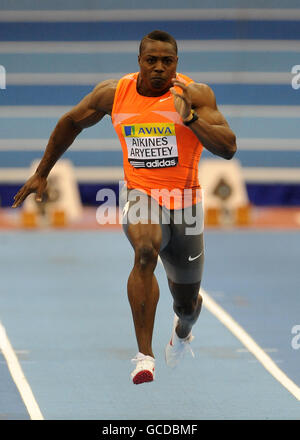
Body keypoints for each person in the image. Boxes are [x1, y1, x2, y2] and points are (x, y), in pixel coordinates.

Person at [12, 30, 237, 385]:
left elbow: (228, 148)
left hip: (186, 207)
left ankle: (182, 333)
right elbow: (71, 121)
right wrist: (42, 173)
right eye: (152, 60)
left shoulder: (195, 94)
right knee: (144, 252)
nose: (160, 68)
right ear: (139, 61)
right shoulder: (114, 94)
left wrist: (191, 119)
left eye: (168, 61)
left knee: (187, 305)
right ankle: (144, 356)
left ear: (177, 63)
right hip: (141, 196)